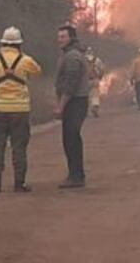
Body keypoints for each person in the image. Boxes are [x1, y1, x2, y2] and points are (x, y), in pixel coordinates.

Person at [0, 26, 42, 193]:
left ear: (3, 43)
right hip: (20, 111)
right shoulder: (26, 60)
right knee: (19, 147)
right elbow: (37, 71)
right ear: (19, 44)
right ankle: (19, 184)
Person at [54, 24, 90, 188]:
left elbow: (71, 84)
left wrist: (61, 105)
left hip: (75, 102)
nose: (59, 39)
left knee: (71, 138)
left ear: (71, 38)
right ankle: (76, 174)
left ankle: (76, 176)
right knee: (70, 138)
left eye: (63, 37)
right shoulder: (69, 55)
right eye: (59, 36)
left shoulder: (73, 57)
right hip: (74, 101)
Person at [85, 47, 105, 118]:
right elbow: (102, 69)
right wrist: (100, 77)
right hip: (95, 79)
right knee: (95, 95)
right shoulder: (97, 60)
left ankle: (85, 111)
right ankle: (94, 109)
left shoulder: (83, 60)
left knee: (85, 96)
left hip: (85, 81)